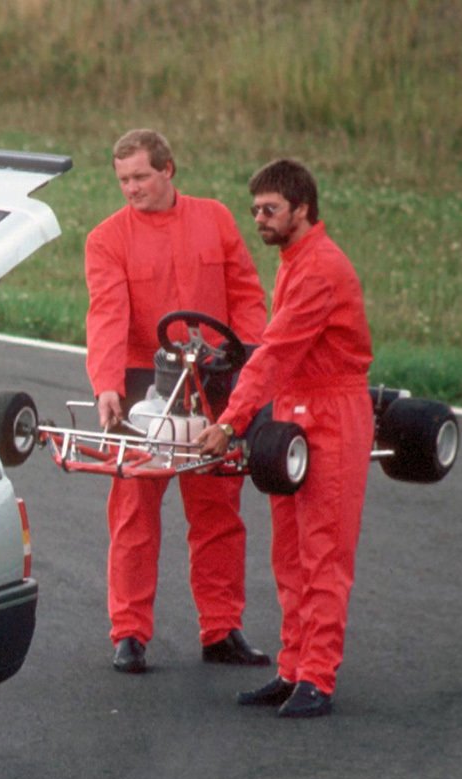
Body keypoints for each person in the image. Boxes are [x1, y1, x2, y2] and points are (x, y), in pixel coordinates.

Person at [84, 129, 272, 675]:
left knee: (218, 510)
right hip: (147, 385)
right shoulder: (106, 239)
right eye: (123, 180)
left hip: (214, 381)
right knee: (134, 512)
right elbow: (107, 315)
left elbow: (246, 297)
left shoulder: (214, 218)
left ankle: (221, 630)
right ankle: (129, 633)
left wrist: (251, 368)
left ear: (169, 170)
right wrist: (107, 386)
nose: (131, 189)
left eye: (140, 176)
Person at [197, 159, 373, 719]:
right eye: (254, 211)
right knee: (289, 553)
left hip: (333, 410)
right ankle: (292, 668)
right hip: (294, 409)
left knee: (323, 553)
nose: (259, 220)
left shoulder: (321, 267)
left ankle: (317, 677)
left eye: (270, 210)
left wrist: (229, 421)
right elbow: (276, 358)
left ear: (302, 209)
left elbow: (274, 352)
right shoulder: (292, 259)